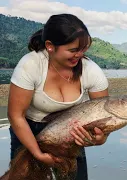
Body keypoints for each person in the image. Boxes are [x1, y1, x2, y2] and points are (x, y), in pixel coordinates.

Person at [8, 14, 109, 179]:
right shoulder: (31, 65)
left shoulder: (91, 70)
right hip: (28, 130)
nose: (80, 55)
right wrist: (37, 154)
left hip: (70, 131)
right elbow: (15, 116)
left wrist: (101, 137)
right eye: (73, 50)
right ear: (50, 46)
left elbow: (103, 113)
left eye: (83, 49)